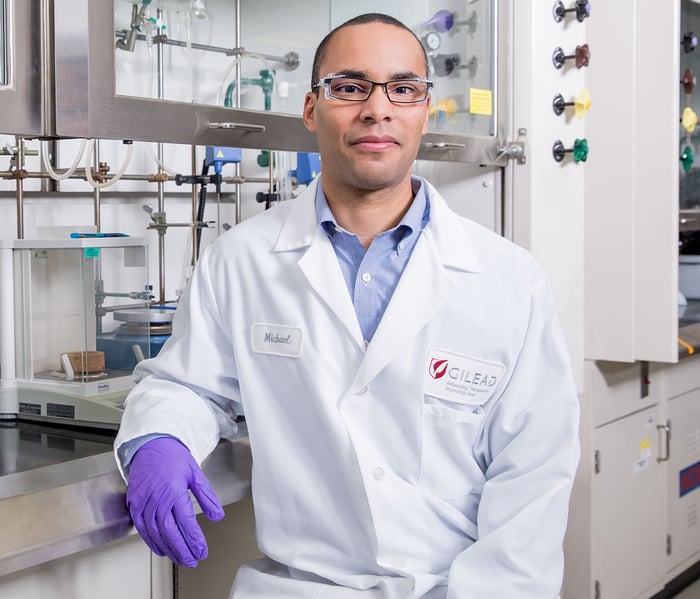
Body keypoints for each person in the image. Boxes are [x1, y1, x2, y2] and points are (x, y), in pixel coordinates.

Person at [114, 12, 580, 599]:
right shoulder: (240, 261)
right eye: (350, 87)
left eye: (403, 89)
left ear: (424, 111)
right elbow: (189, 385)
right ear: (312, 109)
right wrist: (158, 439)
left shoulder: (510, 280)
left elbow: (533, 474)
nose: (377, 109)